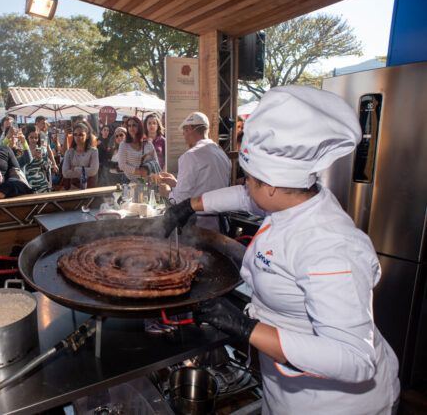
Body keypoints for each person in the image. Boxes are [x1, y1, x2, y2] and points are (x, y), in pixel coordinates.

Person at [163, 86, 400, 414]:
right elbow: (245, 196)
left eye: (249, 178)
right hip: (286, 387)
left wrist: (246, 328)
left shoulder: (330, 246)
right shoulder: (294, 198)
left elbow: (356, 360)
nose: (244, 184)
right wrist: (189, 205)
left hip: (335, 404)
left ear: (272, 185)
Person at [158, 112, 231, 232]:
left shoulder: (190, 156)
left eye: (184, 131)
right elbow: (205, 184)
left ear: (190, 128)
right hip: (221, 223)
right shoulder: (221, 153)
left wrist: (166, 193)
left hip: (200, 225)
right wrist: (175, 183)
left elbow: (180, 200)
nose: (183, 135)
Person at [117, 116, 159, 181]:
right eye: (129, 126)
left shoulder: (148, 144)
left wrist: (148, 171)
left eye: (134, 125)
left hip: (147, 182)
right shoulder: (124, 145)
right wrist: (139, 171)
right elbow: (121, 165)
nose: (131, 128)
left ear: (139, 127)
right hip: (129, 181)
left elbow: (156, 162)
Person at [61, 123, 99, 189]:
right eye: (75, 134)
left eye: (81, 134)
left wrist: (75, 169)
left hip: (89, 188)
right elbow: (65, 173)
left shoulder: (94, 151)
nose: (78, 137)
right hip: (72, 188)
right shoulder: (69, 152)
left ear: (87, 136)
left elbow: (93, 171)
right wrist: (86, 171)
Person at [19, 125, 51, 193]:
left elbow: (47, 168)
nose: (34, 140)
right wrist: (31, 155)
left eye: (36, 138)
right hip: (28, 183)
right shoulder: (22, 150)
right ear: (27, 137)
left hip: (42, 183)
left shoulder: (42, 150)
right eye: (31, 137)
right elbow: (21, 166)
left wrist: (41, 159)